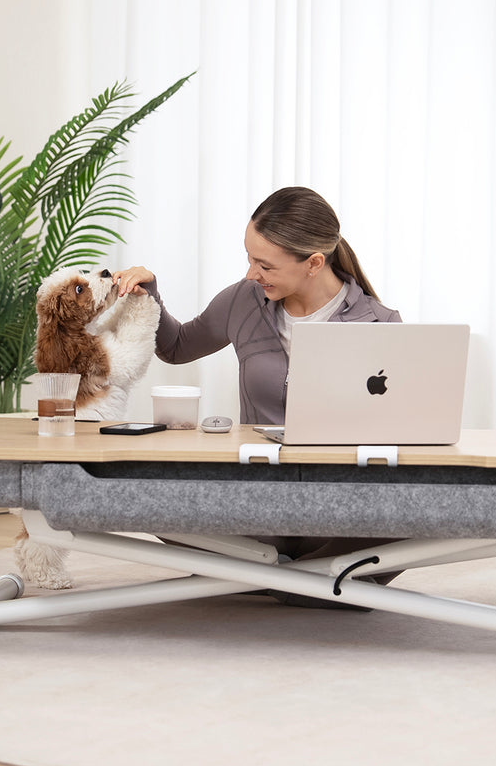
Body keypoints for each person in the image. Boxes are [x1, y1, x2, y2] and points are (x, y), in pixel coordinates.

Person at [112, 186, 401, 608]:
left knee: (424, 515)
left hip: (338, 505)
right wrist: (149, 295)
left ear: (314, 263)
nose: (252, 274)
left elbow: (397, 430)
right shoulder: (244, 301)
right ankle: (307, 581)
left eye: (265, 265)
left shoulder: (379, 323)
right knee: (141, 495)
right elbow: (176, 347)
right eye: (249, 259)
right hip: (258, 499)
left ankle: (259, 573)